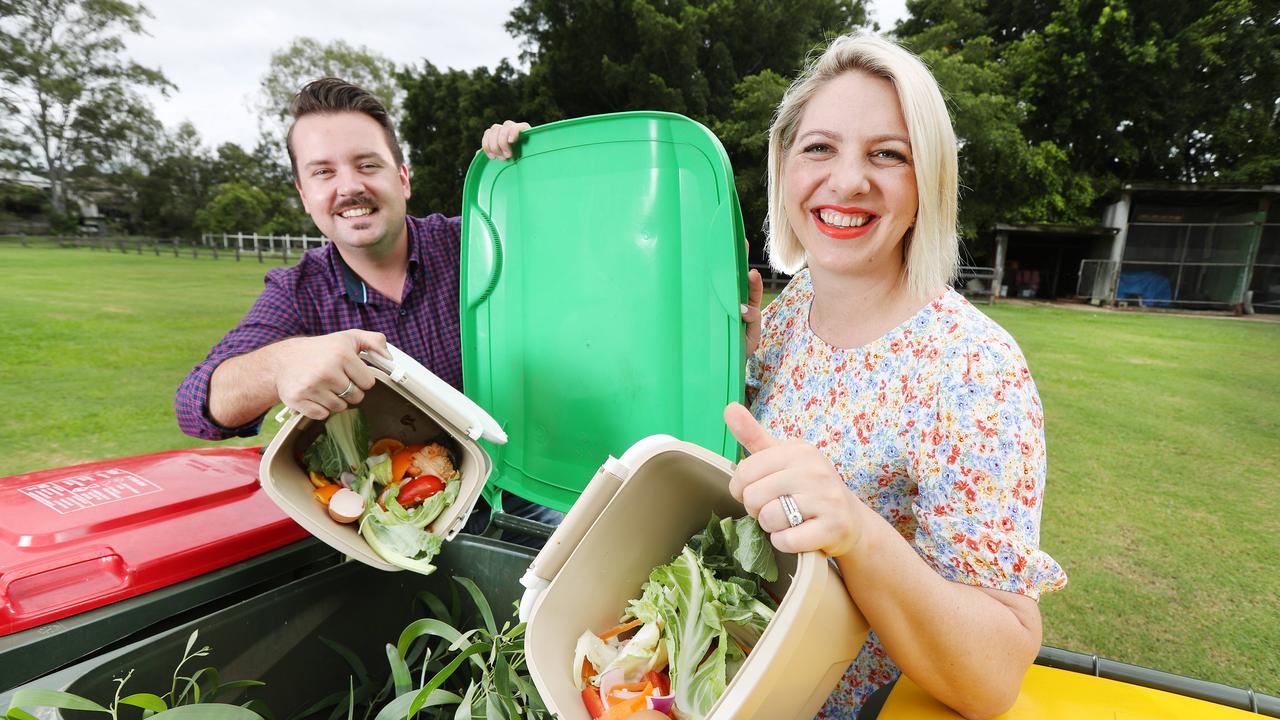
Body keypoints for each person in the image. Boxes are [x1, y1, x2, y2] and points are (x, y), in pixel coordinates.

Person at [723, 33, 1067, 719]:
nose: (848, 181)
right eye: (819, 147)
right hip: (727, 685)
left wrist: (855, 529)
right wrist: (731, 376)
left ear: (927, 181)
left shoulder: (975, 369)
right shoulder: (787, 319)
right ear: (784, 168)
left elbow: (995, 677)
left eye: (888, 154)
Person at [174, 78, 556, 537]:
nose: (349, 187)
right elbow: (196, 406)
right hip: (393, 527)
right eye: (323, 172)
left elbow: (577, 250)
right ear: (304, 195)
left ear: (403, 177)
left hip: (522, 492)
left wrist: (535, 174)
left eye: (367, 164)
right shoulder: (299, 292)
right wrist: (280, 363)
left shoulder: (475, 245)